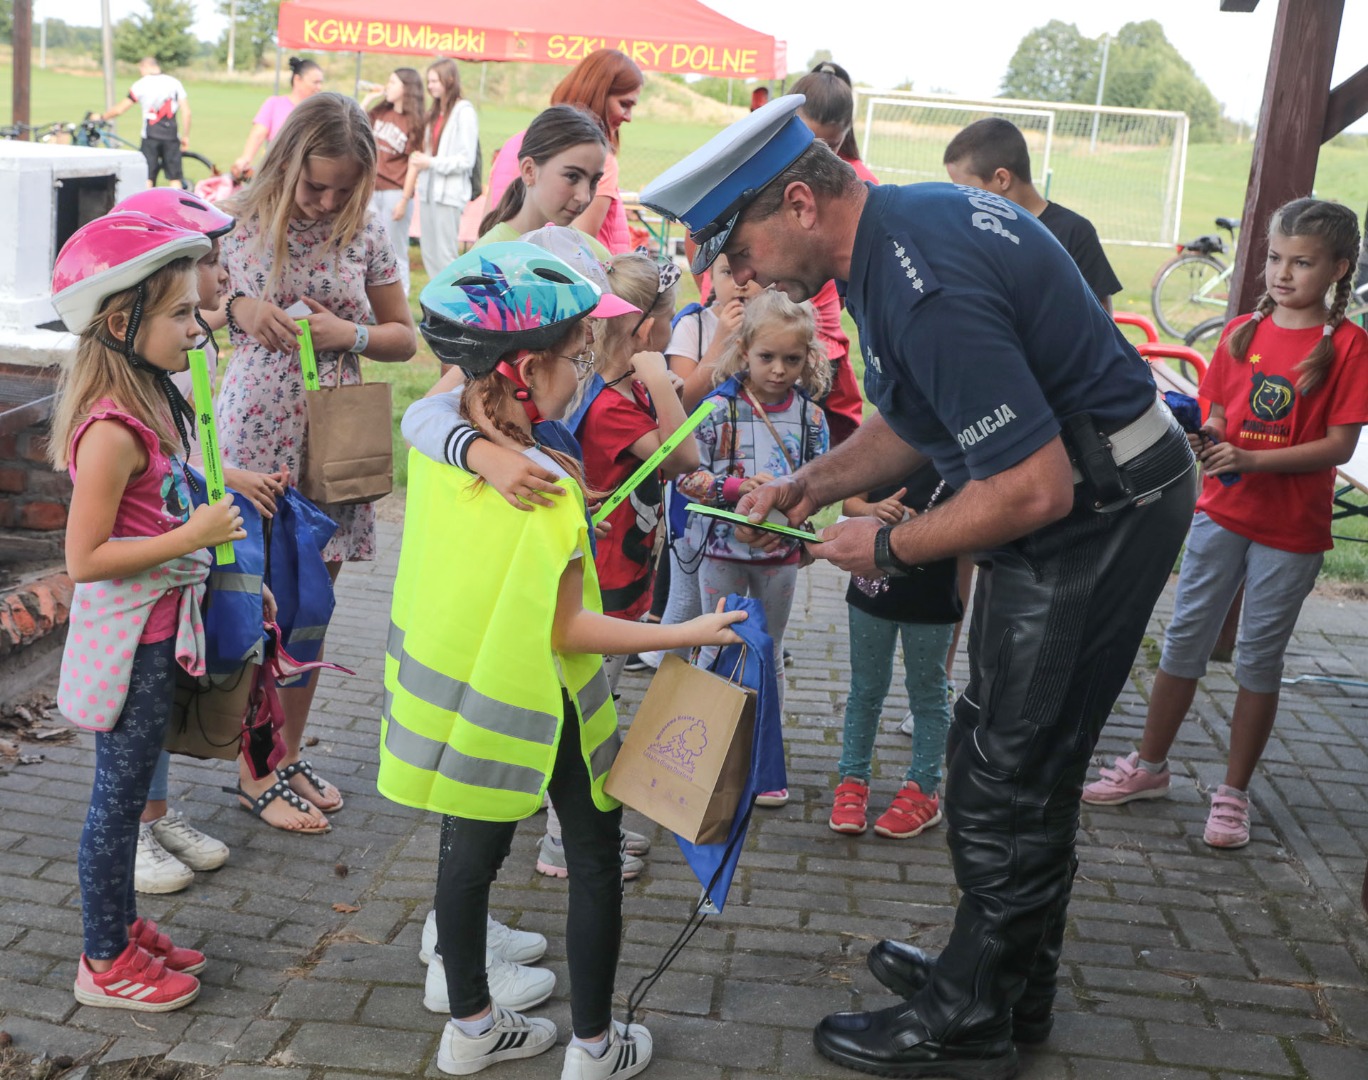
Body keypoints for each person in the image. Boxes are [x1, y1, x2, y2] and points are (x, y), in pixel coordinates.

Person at [641, 94, 1198, 1078]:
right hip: (1087, 494)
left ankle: (971, 1014)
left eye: (741, 248)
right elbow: (914, 419)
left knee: (1004, 764)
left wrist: (891, 549)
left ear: (802, 203)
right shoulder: (891, 242)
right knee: (1022, 752)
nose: (741, 279)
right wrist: (804, 485)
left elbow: (1031, 486)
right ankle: (1005, 980)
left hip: (1099, 510)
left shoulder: (918, 278)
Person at [383, 241, 745, 1078]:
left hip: (469, 701)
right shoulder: (540, 483)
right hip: (551, 705)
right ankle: (593, 1046)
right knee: (593, 858)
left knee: (466, 858)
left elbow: (427, 414)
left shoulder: (448, 451)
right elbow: (573, 631)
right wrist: (682, 636)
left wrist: (491, 449)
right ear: (522, 373)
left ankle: (470, 1024)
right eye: (576, 357)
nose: (585, 371)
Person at [1083, 198, 1368, 848]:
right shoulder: (1240, 332)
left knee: (1258, 663)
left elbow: (1339, 447)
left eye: (1302, 262)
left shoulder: (1350, 348)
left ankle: (1232, 794)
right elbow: (1216, 406)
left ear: (1338, 268)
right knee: (1184, 643)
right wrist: (1207, 432)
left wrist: (1253, 458)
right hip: (1222, 514)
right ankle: (1148, 768)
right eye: (1275, 258)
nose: (1283, 273)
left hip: (1291, 530)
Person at [48, 211, 248, 1010]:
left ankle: (123, 929)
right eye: (179, 315)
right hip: (128, 643)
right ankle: (102, 961)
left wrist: (192, 538)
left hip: (160, 633)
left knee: (126, 797)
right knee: (116, 809)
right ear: (123, 321)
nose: (196, 328)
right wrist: (189, 536)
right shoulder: (111, 430)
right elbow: (83, 560)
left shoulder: (155, 403)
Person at [219, 92, 417, 832]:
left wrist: (349, 333)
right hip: (255, 436)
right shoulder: (240, 221)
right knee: (253, 606)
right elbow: (195, 313)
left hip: (333, 440)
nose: (326, 200)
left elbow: (404, 337)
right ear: (288, 162)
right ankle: (254, 764)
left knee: (311, 611)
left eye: (342, 187)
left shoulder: (364, 230)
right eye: (314, 186)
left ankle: (285, 752)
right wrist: (238, 309)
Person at [108, 188, 286, 893]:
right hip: (140, 573)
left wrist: (230, 477)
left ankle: (152, 811)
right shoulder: (136, 374)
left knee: (161, 697)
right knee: (130, 708)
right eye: (209, 262)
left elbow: (175, 455)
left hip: (176, 557)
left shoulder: (181, 357)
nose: (222, 276)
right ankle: (130, 830)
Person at [675, 289, 830, 806]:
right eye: (767, 357)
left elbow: (819, 485)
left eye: (792, 359)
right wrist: (744, 496)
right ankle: (701, 755)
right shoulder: (717, 408)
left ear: (808, 358)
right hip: (720, 554)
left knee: (768, 652)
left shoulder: (811, 419)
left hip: (778, 558)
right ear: (743, 352)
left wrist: (785, 519)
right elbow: (687, 478)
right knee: (715, 645)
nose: (779, 370)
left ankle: (764, 761)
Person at [828, 464, 960, 838]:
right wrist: (873, 510)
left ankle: (924, 788)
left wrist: (928, 528)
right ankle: (852, 778)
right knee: (865, 689)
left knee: (928, 692)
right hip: (870, 596)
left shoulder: (958, 456)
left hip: (931, 600)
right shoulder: (889, 445)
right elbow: (851, 501)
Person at [944, 117, 1123, 314]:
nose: (960, 198)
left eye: (966, 189)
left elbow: (1102, 321)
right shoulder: (979, 231)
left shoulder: (1073, 232)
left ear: (1002, 179)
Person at [791, 62, 875, 448]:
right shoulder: (762, 176)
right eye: (808, 142)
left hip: (823, 341)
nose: (819, 157)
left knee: (821, 448)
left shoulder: (861, 183)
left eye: (833, 146)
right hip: (764, 335)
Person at [486, 50, 643, 254]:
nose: (584, 197)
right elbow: (573, 251)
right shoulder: (597, 157)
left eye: (594, 181)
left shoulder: (512, 143)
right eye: (624, 104)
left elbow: (490, 215)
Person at [477, 106, 610, 256]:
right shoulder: (487, 259)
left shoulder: (596, 257)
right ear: (529, 171)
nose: (584, 196)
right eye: (572, 176)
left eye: (594, 181)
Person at [406, 59, 479, 281]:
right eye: (429, 81)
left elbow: (466, 159)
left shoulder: (463, 112)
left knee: (445, 255)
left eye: (435, 81)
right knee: (429, 252)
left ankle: (452, 306)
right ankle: (434, 305)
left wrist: (431, 163)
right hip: (429, 193)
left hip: (449, 196)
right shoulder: (435, 112)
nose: (430, 86)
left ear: (449, 80)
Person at [363, 68, 426, 295]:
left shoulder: (414, 121)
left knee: (395, 247)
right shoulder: (380, 112)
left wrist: (404, 198)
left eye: (393, 82)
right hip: (372, 189)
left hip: (395, 192)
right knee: (368, 245)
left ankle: (403, 293)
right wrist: (370, 99)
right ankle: (370, 298)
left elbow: (414, 164)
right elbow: (356, 126)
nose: (387, 86)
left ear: (406, 89)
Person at [101, 57, 191, 190]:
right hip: (171, 136)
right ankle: (177, 209)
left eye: (140, 69)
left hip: (150, 136)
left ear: (145, 67)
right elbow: (187, 112)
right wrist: (186, 135)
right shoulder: (175, 83)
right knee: (175, 178)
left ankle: (146, 209)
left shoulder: (141, 84)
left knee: (147, 178)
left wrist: (103, 117)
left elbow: (120, 109)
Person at [232, 57, 324, 178]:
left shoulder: (319, 111)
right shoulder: (274, 104)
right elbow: (258, 134)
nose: (319, 87)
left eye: (321, 82)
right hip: (276, 174)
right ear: (297, 80)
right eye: (315, 82)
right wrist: (246, 159)